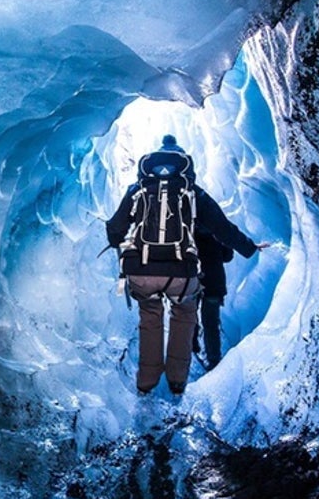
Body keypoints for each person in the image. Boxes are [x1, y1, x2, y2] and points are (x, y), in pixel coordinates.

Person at [105, 135, 268, 395]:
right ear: (184, 164)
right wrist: (249, 247)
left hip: (142, 270)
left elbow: (115, 230)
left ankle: (146, 383)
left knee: (150, 318)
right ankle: (177, 382)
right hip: (181, 272)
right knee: (183, 316)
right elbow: (222, 229)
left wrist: (123, 244)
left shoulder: (137, 189)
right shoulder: (193, 193)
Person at [192, 229, 235, 371]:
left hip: (193, 281)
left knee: (189, 316)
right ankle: (214, 359)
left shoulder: (190, 230)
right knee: (210, 322)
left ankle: (192, 348)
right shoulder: (217, 232)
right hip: (214, 283)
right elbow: (228, 256)